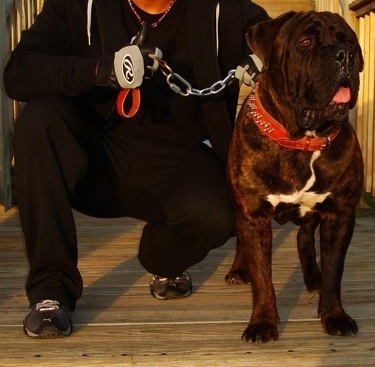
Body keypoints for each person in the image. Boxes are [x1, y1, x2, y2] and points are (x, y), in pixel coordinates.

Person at [3, 0, 269, 338]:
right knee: (38, 118)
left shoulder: (223, 10)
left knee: (222, 211)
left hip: (178, 160)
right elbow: (19, 72)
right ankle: (50, 291)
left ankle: (164, 260)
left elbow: (284, 35)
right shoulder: (76, 6)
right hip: (94, 159)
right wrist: (101, 70)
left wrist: (269, 57)